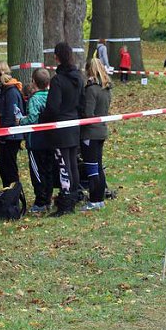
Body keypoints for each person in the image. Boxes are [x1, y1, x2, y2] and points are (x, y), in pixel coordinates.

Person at [40, 42, 84, 216]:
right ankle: (72, 196)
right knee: (72, 163)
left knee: (65, 165)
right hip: (74, 125)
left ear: (57, 57)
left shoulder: (58, 80)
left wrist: (43, 117)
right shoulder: (78, 77)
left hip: (61, 129)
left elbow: (53, 107)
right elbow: (82, 103)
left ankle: (66, 203)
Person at [15, 68, 55, 213]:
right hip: (51, 139)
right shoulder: (51, 96)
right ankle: (48, 198)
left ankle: (40, 201)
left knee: (37, 172)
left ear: (33, 82)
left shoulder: (34, 99)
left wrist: (20, 121)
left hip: (36, 141)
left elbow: (32, 119)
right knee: (49, 170)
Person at [80, 58, 113, 211]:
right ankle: (99, 198)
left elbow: (88, 113)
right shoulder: (106, 89)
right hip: (101, 131)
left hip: (91, 133)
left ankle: (94, 199)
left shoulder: (92, 90)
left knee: (92, 168)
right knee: (98, 166)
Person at [0, 61, 25, 187]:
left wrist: (4, 134)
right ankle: (8, 196)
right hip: (5, 136)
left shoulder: (11, 91)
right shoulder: (4, 89)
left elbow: (11, 114)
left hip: (10, 136)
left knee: (9, 169)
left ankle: (13, 198)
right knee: (4, 168)